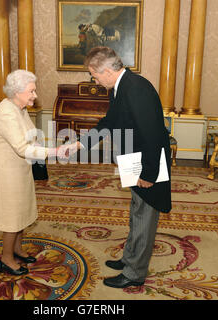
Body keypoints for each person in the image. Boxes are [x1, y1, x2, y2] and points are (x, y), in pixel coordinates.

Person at [74, 47, 172, 288]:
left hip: (145, 162)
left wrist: (148, 174)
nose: (94, 81)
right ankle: (130, 258)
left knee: (144, 216)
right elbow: (110, 121)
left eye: (94, 76)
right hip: (132, 158)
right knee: (136, 212)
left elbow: (151, 133)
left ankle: (134, 273)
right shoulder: (120, 87)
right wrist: (82, 143)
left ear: (107, 71)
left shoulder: (135, 88)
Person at [0, 70, 67, 276]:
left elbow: (32, 137)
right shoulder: (6, 112)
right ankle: (6, 258)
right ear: (17, 91)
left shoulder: (20, 108)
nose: (35, 95)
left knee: (21, 208)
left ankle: (17, 249)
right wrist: (54, 152)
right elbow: (22, 148)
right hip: (6, 170)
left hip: (20, 167)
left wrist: (49, 145)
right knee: (11, 214)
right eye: (31, 91)